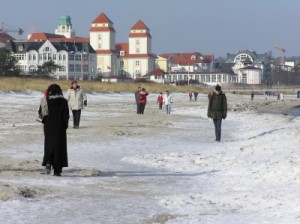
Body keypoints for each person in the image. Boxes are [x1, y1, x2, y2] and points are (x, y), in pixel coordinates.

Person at [38, 84, 69, 176]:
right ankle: (57, 170)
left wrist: (45, 122)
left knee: (49, 145)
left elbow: (40, 113)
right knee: (60, 148)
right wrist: (65, 125)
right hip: (60, 127)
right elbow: (66, 115)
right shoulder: (64, 101)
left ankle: (48, 161)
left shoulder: (45, 100)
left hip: (48, 126)